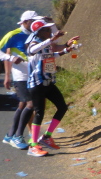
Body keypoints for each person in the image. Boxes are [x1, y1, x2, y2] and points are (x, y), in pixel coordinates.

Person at [25, 20, 79, 157]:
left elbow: (50, 55)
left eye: (50, 30)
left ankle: (47, 136)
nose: (50, 32)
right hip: (36, 84)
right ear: (39, 32)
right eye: (47, 30)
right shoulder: (34, 42)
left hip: (48, 82)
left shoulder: (47, 44)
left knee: (62, 107)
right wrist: (52, 39)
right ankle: (33, 145)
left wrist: (66, 49)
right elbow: (31, 51)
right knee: (39, 113)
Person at [0, 11, 40, 149]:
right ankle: (18, 136)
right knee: (30, 104)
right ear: (25, 22)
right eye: (32, 21)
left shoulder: (36, 33)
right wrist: (10, 58)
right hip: (21, 76)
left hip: (34, 75)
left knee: (22, 105)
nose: (35, 23)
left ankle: (9, 135)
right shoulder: (13, 34)